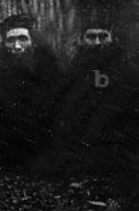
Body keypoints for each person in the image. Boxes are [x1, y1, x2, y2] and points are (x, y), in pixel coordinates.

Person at [41, 19, 139, 187]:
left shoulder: (128, 72)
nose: (98, 43)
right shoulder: (73, 70)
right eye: (91, 37)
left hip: (114, 142)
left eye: (103, 37)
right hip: (79, 142)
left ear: (112, 39)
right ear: (81, 40)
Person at [0, 13, 63, 167]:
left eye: (23, 39)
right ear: (3, 43)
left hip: (40, 136)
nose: (17, 46)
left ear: (32, 41)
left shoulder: (48, 64)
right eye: (11, 40)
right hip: (6, 140)